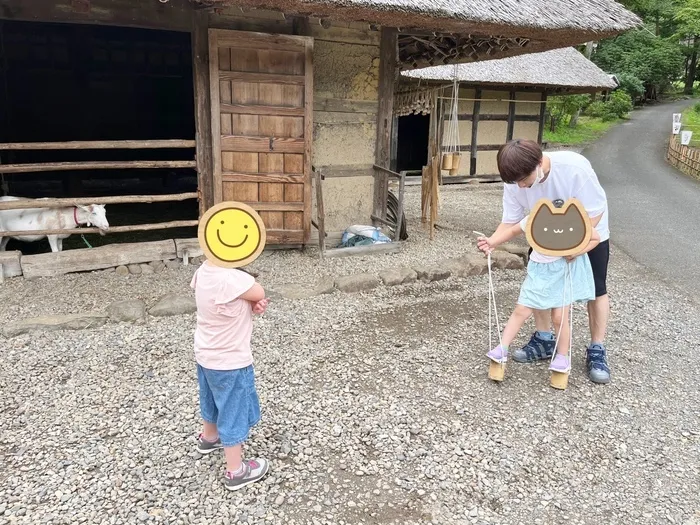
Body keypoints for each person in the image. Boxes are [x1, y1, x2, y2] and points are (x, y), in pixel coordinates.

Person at [481, 139, 612, 384]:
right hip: (543, 241)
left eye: (524, 180)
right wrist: (492, 241)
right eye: (515, 182)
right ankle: (543, 340)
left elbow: (596, 212)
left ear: (540, 163)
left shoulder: (575, 168)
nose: (520, 186)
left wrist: (577, 246)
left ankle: (597, 348)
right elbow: (511, 221)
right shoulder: (515, 180)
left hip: (589, 233)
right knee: (540, 285)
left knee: (596, 289)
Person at [477, 209, 599, 377]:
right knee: (521, 310)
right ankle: (502, 348)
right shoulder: (534, 217)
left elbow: (595, 237)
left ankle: (562, 356)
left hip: (561, 271)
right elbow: (513, 230)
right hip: (538, 272)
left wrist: (577, 252)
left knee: (559, 317)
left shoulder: (572, 219)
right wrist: (492, 242)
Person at [190, 261, 270, 491]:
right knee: (233, 409)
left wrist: (251, 305)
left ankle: (209, 437)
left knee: (211, 398)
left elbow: (232, 300)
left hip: (206, 354)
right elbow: (258, 290)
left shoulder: (204, 270)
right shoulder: (235, 279)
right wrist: (254, 299)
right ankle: (236, 471)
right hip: (231, 360)